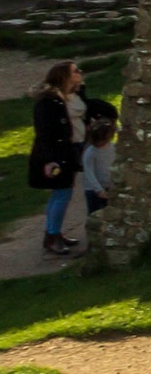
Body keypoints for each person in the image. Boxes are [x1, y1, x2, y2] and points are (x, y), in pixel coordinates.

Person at [25, 62, 86, 257]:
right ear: (64, 76)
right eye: (76, 71)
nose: (80, 73)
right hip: (59, 153)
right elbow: (44, 133)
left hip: (70, 149)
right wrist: (50, 160)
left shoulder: (72, 95)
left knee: (62, 193)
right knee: (62, 194)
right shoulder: (49, 102)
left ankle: (54, 233)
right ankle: (52, 236)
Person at [75, 101, 117, 250]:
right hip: (94, 191)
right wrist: (98, 190)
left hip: (109, 187)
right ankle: (93, 244)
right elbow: (89, 173)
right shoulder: (90, 153)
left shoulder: (113, 148)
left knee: (111, 215)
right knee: (94, 216)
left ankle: (110, 239)